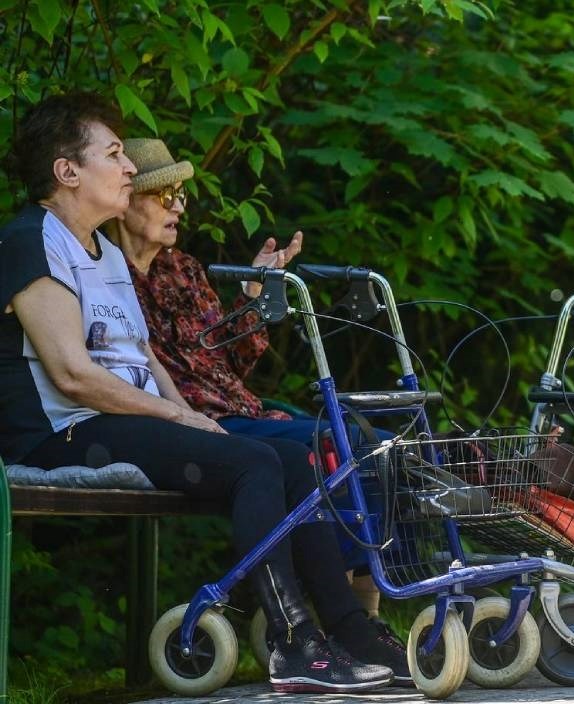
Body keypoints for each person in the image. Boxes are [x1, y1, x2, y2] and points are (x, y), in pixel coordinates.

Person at [0, 92, 408, 692]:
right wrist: (175, 416)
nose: (130, 168)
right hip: (62, 432)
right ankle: (294, 643)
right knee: (253, 465)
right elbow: (72, 374)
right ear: (67, 172)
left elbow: (141, 356)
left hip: (120, 421)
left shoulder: (103, 250)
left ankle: (352, 629)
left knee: (294, 459)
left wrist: (189, 414)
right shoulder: (31, 238)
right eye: (114, 154)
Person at [107, 137, 385, 617]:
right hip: (195, 426)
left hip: (244, 411)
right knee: (338, 444)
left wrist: (255, 291)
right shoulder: (104, 277)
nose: (179, 205)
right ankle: (345, 612)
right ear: (123, 202)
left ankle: (366, 605)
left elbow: (228, 364)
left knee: (372, 440)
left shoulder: (186, 270)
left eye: (182, 194)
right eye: (164, 195)